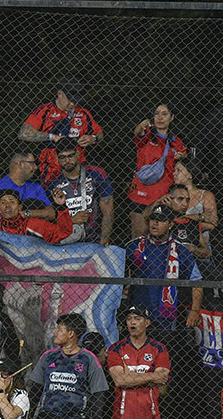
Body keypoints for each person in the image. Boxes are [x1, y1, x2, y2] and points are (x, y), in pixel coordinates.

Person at [27, 313, 110, 419]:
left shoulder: (88, 359)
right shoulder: (48, 356)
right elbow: (35, 389)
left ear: (71, 333)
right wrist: (29, 416)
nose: (55, 333)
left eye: (60, 329)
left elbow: (98, 393)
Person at [105, 305, 170, 419]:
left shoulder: (159, 348)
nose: (132, 322)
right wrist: (151, 376)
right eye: (129, 319)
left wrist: (130, 376)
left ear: (147, 323)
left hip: (152, 418)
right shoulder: (116, 349)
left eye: (138, 318)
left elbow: (163, 378)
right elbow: (119, 381)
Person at [125, 204, 203, 329]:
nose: (155, 223)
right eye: (152, 219)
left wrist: (195, 310)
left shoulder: (180, 250)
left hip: (165, 314)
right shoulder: (134, 246)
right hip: (137, 311)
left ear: (170, 224)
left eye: (161, 220)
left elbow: (197, 282)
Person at [19, 80, 103, 181]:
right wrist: (52, 137)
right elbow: (24, 133)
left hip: (78, 168)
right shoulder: (46, 110)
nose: (72, 103)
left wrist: (93, 138)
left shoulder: (83, 113)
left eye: (76, 101)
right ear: (60, 94)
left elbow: (99, 134)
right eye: (70, 99)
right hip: (51, 170)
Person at [127, 103, 189, 238]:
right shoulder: (147, 135)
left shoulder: (176, 142)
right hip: (141, 194)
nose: (160, 117)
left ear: (172, 117)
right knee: (139, 237)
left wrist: (182, 157)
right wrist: (141, 124)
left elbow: (184, 166)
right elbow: (137, 132)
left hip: (164, 196)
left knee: (162, 238)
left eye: (164, 114)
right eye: (157, 113)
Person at [46, 139, 114, 245]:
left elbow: (108, 212)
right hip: (66, 241)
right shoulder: (53, 182)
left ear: (78, 153)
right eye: (62, 157)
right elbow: (50, 217)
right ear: (57, 158)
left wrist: (103, 242)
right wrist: (70, 221)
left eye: (70, 156)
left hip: (94, 239)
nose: (67, 161)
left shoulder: (96, 174)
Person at [0, 151, 49, 218]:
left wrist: (28, 213)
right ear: (20, 164)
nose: (36, 167)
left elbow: (51, 213)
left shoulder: (36, 186)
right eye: (32, 163)